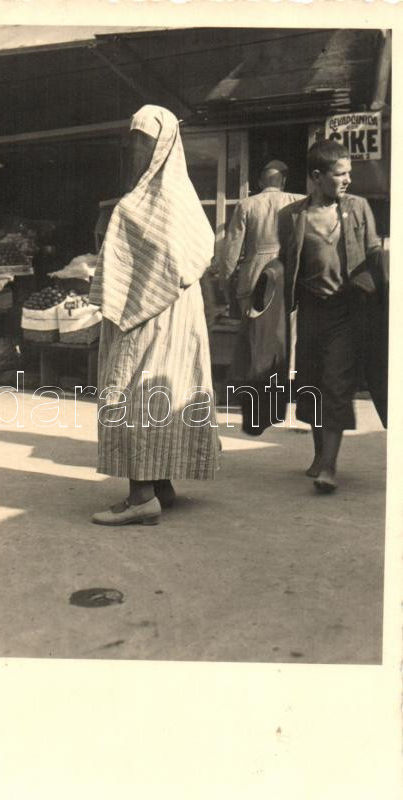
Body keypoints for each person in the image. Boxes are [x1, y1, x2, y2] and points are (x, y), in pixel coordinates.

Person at [89, 105, 220, 526]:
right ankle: (161, 484)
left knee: (136, 391)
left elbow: (153, 263)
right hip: (175, 310)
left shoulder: (145, 203)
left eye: (143, 143)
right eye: (132, 143)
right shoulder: (178, 196)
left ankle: (141, 496)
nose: (135, 152)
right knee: (167, 389)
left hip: (149, 313)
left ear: (162, 147)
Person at [278, 139, 387, 493]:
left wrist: (380, 295)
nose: (347, 180)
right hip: (310, 310)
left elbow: (373, 252)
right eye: (340, 174)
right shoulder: (291, 216)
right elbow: (287, 262)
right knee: (310, 383)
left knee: (337, 383)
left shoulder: (358, 208)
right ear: (316, 176)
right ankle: (319, 452)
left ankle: (329, 466)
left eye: (349, 173)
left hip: (346, 310)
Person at [219, 160, 304, 315]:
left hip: (253, 278)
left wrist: (226, 285)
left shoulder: (245, 205)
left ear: (260, 183)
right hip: (288, 278)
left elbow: (231, 252)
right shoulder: (299, 202)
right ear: (283, 182)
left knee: (253, 334)